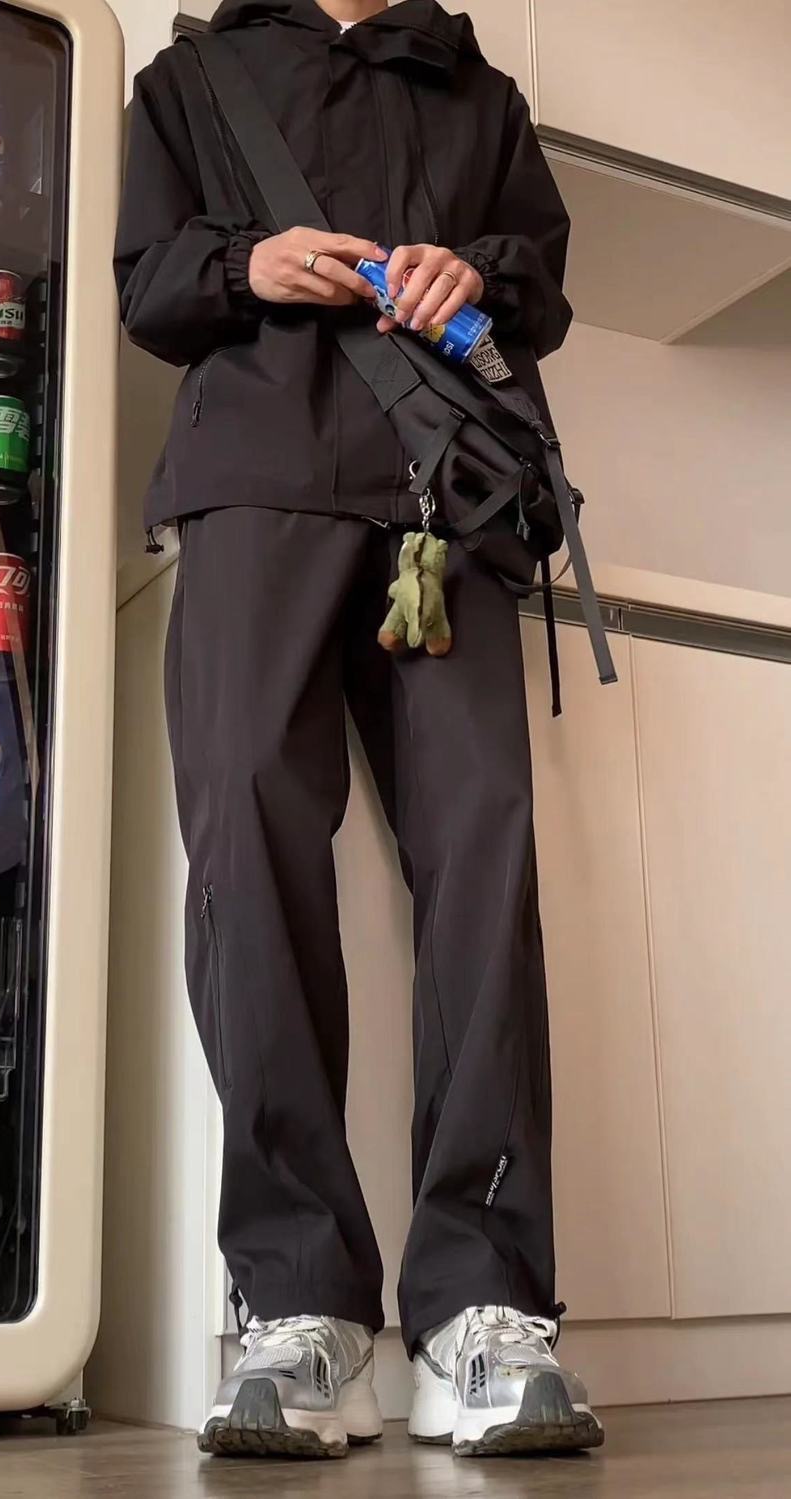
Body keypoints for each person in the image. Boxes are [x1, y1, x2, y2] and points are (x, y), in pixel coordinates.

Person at [115, 0, 604, 1463]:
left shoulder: (476, 90)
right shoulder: (192, 76)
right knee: (248, 842)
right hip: (254, 485)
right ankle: (297, 1305)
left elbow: (543, 288)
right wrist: (246, 263)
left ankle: (483, 1308)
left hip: (448, 498)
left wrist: (479, 272)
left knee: (483, 858)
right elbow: (146, 286)